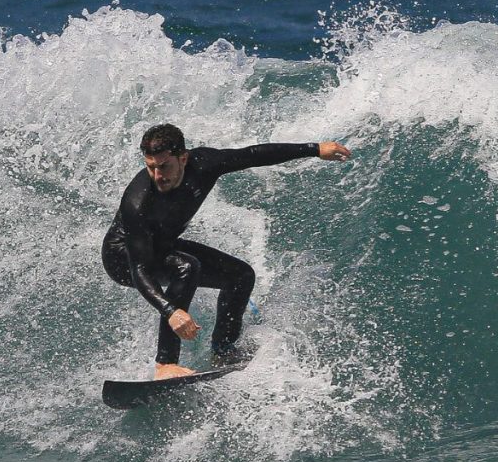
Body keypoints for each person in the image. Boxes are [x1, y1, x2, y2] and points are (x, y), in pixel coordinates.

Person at [102, 124, 351, 380]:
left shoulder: (204, 164)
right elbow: (140, 269)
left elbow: (252, 155)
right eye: (150, 167)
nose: (157, 175)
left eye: (164, 166)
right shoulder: (138, 201)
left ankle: (223, 352)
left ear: (183, 159)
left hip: (163, 246)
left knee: (240, 275)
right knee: (186, 267)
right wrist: (170, 311)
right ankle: (165, 364)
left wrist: (314, 149)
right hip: (123, 258)